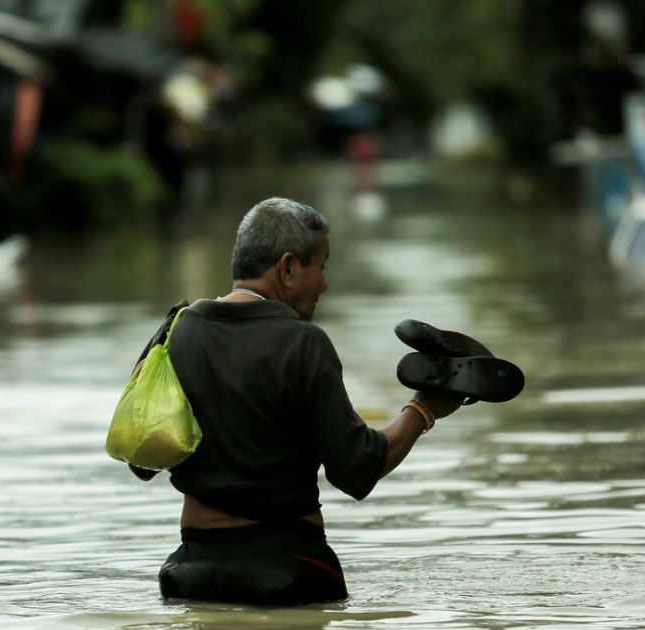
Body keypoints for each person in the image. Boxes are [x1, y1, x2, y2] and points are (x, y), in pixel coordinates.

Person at [125, 197, 459, 605]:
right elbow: (356, 468)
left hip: (191, 574)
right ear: (287, 268)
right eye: (320, 266)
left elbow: (141, 461)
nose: (324, 283)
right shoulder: (303, 342)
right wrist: (424, 409)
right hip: (291, 568)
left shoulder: (175, 330)